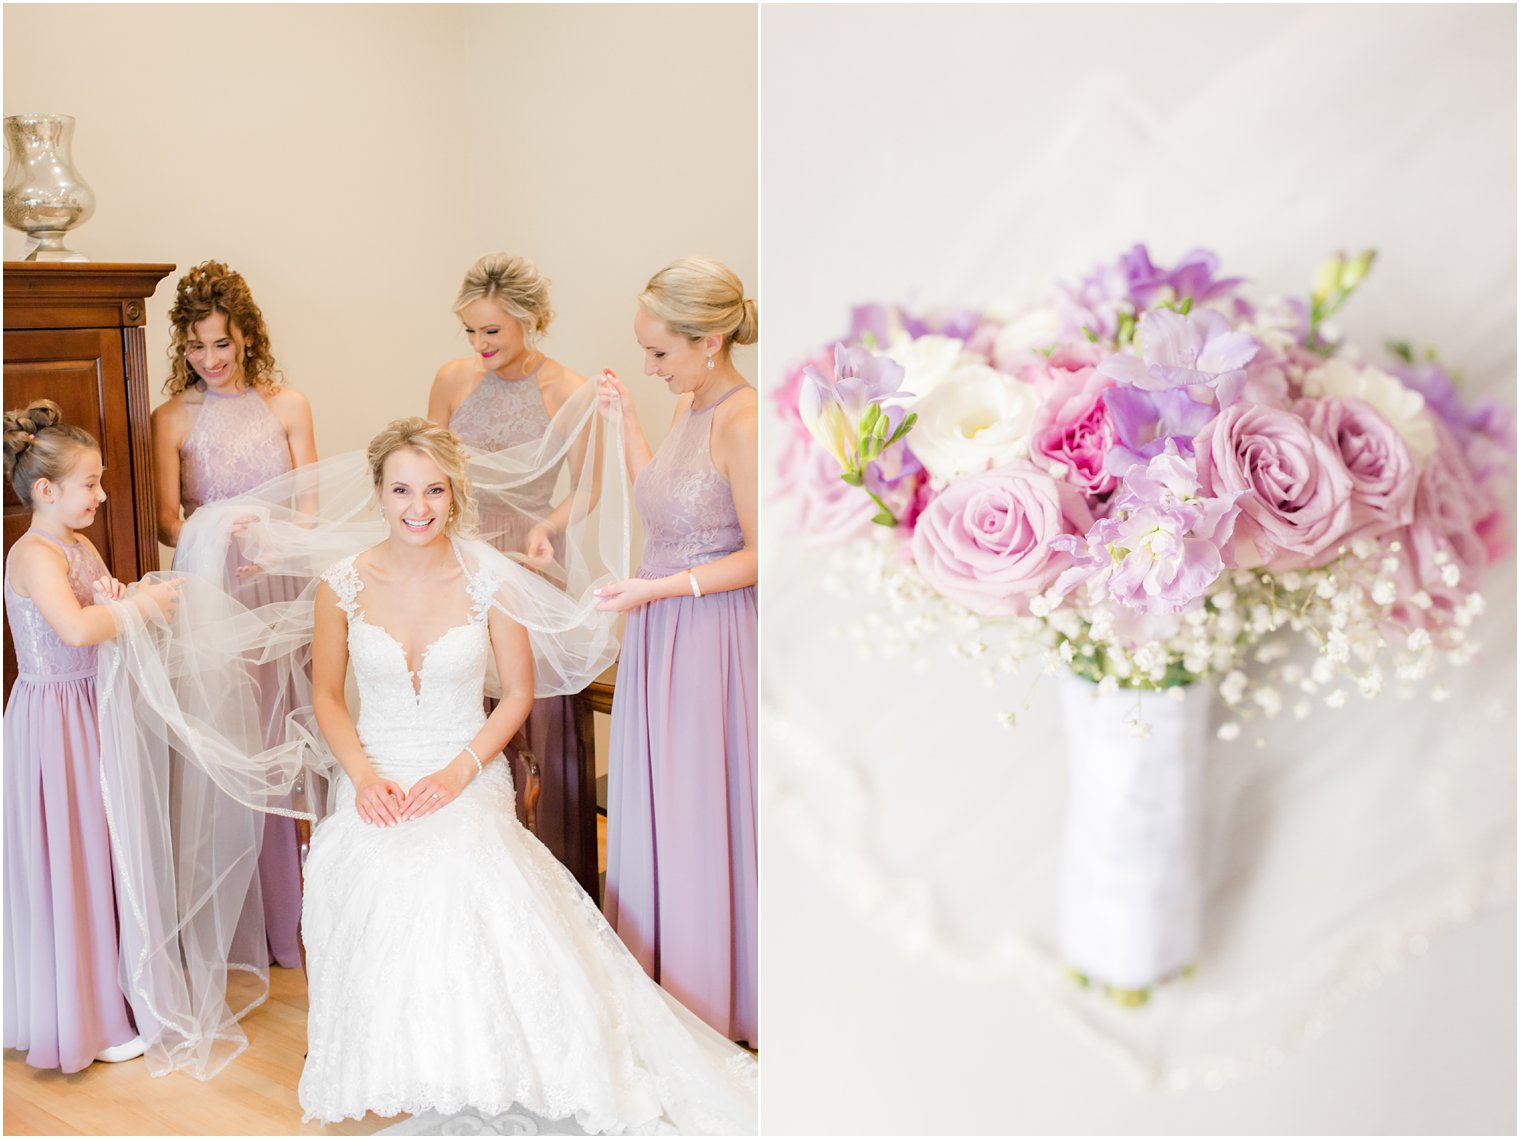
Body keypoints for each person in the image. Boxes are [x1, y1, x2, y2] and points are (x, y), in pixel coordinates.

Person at [296, 417, 755, 1131]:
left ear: (456, 494)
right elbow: (327, 694)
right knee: (354, 862)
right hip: (376, 770)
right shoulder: (342, 585)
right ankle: (406, 1059)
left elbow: (516, 693)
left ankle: (479, 1059)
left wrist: (457, 772)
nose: (418, 507)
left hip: (466, 766)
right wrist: (362, 777)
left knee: (461, 863)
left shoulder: (488, 577)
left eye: (435, 491)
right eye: (402, 490)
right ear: (379, 493)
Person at [596, 257, 759, 1046]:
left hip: (709, 634)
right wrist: (628, 419)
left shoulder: (746, 420)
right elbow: (662, 501)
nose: (650, 365)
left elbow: (764, 554)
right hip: (659, 627)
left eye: (659, 352)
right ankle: (664, 990)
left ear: (712, 338)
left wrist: (656, 593)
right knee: (658, 802)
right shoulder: (692, 406)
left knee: (699, 805)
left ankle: (718, 997)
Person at [2, 400, 182, 1072]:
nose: (102, 495)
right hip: (53, 720)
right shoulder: (33, 554)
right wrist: (136, 606)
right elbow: (76, 630)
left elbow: (100, 612)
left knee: (104, 855)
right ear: (46, 491)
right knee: (69, 857)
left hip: (91, 709)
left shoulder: (77, 545)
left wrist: (128, 596)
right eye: (91, 484)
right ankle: (82, 1015)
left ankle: (116, 992)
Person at [149, 261, 317, 970]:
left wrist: (274, 539)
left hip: (278, 586)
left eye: (221, 343)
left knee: (285, 733)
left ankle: (293, 920)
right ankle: (232, 920)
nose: (210, 360)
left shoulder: (288, 405)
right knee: (227, 739)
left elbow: (310, 503)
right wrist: (220, 534)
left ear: (246, 335)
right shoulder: (172, 418)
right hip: (213, 593)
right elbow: (165, 517)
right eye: (195, 347)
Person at [426, 254, 597, 888]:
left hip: (530, 561)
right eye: (470, 330)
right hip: (460, 557)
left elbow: (588, 488)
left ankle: (550, 875)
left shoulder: (569, 391)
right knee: (465, 703)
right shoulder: (451, 379)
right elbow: (427, 468)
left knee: (537, 718)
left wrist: (547, 528)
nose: (479, 344)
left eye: (492, 330)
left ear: (529, 320)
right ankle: (474, 873)